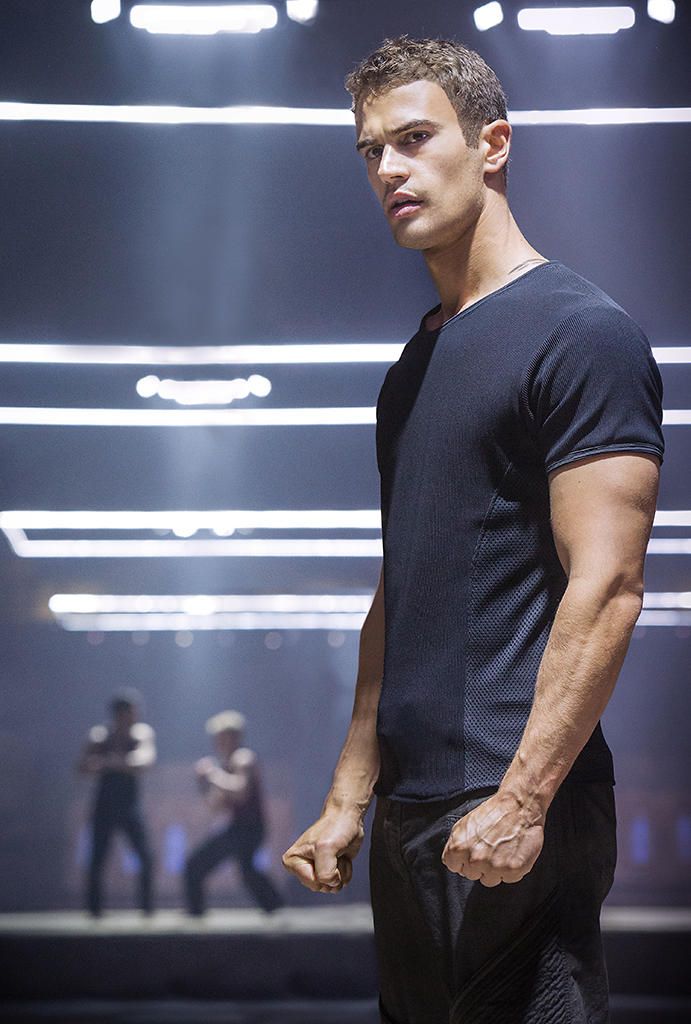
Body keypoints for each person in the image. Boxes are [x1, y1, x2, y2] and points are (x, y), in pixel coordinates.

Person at [282, 36, 665, 1024]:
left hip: (512, 796)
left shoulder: (580, 332)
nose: (388, 169)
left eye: (413, 139)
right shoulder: (414, 363)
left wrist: (524, 798)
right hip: (412, 806)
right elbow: (401, 592)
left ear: (491, 144)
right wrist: (349, 794)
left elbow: (609, 587)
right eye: (370, 150)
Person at [184, 710, 284, 915]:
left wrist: (212, 774)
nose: (217, 743)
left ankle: (195, 915)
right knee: (246, 871)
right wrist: (203, 784)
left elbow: (240, 791)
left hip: (248, 829)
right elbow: (215, 806)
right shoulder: (226, 766)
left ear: (234, 737)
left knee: (197, 866)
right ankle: (276, 906)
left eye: (221, 737)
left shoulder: (243, 758)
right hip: (238, 828)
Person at [77, 688, 156, 917]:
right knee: (98, 857)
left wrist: (109, 763)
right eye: (131, 713)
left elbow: (145, 761)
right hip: (104, 805)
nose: (134, 717)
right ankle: (94, 910)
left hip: (129, 805)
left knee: (145, 856)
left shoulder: (140, 734)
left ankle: (146, 909)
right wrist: (116, 763)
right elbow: (83, 766)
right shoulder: (100, 735)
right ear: (119, 714)